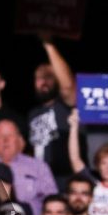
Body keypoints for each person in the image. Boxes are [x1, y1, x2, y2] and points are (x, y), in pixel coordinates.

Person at [26, 38, 81, 181]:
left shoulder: (68, 106)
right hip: (38, 180)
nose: (44, 81)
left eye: (49, 76)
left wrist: (48, 44)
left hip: (65, 179)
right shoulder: (32, 114)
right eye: (39, 78)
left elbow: (68, 87)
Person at [0, 119, 57, 215]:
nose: (6, 140)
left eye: (10, 135)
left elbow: (53, 200)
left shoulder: (38, 166)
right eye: (1, 136)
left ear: (20, 141)